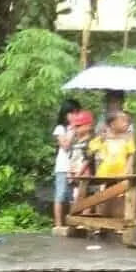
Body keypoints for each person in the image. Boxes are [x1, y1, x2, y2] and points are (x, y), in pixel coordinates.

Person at [52, 98, 81, 228]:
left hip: (76, 166)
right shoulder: (60, 128)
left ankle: (71, 223)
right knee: (60, 195)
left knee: (72, 196)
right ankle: (58, 224)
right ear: (65, 114)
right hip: (63, 166)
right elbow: (65, 145)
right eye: (72, 113)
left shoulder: (79, 129)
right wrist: (72, 131)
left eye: (77, 113)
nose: (74, 116)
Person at [89, 111, 135, 178]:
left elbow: (131, 156)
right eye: (123, 121)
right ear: (112, 124)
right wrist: (101, 140)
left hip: (122, 174)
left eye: (127, 121)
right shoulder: (103, 138)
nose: (126, 124)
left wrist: (128, 171)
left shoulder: (127, 139)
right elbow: (91, 151)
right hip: (104, 174)